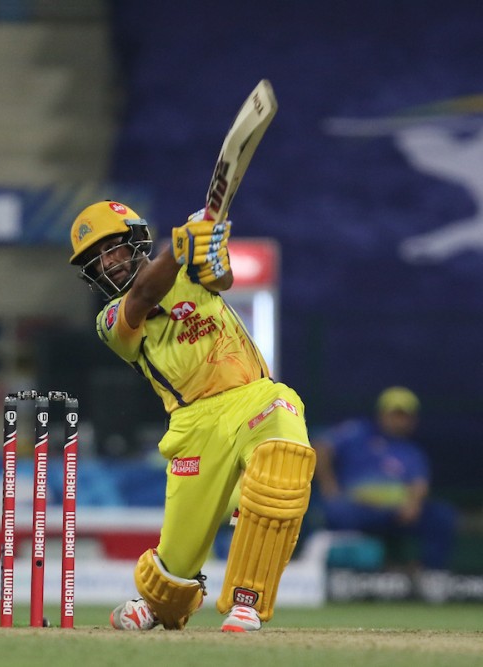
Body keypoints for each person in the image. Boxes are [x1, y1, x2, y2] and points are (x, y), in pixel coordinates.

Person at [67, 201, 315, 633]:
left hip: (256, 396)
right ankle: (157, 602)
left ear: (134, 241)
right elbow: (144, 294)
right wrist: (177, 248)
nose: (108, 263)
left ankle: (247, 602)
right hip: (194, 426)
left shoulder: (189, 271)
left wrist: (205, 248)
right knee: (173, 578)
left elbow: (223, 277)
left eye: (113, 249)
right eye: (97, 259)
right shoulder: (109, 321)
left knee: (284, 465)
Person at [313, 386, 457, 573]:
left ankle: (429, 574)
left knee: (441, 516)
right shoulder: (357, 432)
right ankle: (350, 572)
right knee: (337, 511)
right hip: (358, 506)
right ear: (382, 413)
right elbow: (321, 446)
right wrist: (328, 485)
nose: (399, 420)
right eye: (395, 414)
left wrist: (413, 503)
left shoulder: (411, 452)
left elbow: (420, 483)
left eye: (405, 415)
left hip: (396, 510)